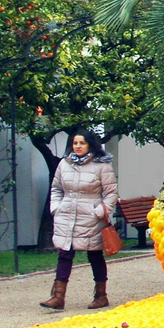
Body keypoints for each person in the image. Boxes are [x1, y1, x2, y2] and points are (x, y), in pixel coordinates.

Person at [39, 129, 118, 311]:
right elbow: (56, 188)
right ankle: (58, 297)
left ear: (90, 144)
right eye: (75, 143)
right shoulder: (64, 164)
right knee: (65, 254)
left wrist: (99, 212)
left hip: (91, 218)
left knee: (95, 254)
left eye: (82, 143)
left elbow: (111, 193)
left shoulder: (101, 166)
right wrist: (56, 208)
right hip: (66, 216)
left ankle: (101, 295)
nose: (78, 146)